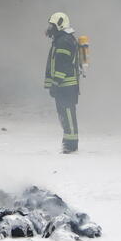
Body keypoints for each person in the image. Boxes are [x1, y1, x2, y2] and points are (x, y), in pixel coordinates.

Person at [44, 11, 81, 153]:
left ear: (59, 25)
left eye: (52, 25)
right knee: (64, 114)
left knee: (68, 114)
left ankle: (71, 145)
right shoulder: (61, 40)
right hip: (63, 85)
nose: (49, 28)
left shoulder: (64, 41)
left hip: (66, 85)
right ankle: (67, 142)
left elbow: (63, 65)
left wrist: (55, 83)